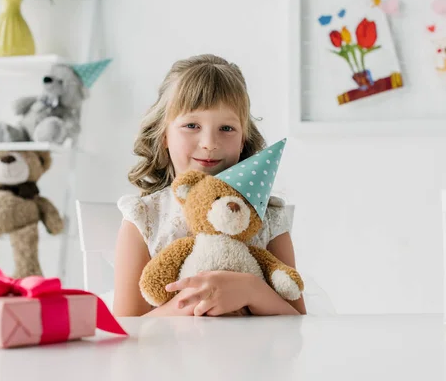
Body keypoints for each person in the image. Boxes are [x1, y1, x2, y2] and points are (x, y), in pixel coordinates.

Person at [113, 54, 306, 317]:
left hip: (253, 356)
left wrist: (251, 290)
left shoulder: (268, 216)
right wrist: (202, 298)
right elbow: (127, 329)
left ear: (243, 141)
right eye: (191, 125)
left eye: (226, 128)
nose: (209, 142)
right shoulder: (145, 218)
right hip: (169, 357)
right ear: (164, 135)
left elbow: (297, 321)